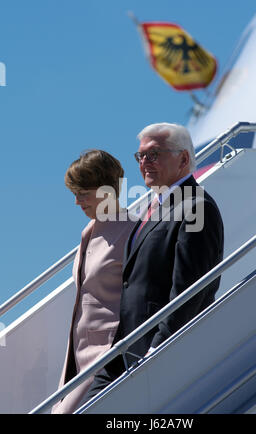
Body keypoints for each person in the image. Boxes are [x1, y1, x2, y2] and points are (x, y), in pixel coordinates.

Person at [80, 122, 224, 407]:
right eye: (141, 156)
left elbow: (189, 291)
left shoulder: (196, 207)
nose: (145, 163)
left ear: (183, 159)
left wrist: (159, 348)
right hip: (124, 351)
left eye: (154, 154)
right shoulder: (153, 207)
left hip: (156, 353)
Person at [52, 149, 136, 414]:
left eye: (82, 193)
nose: (77, 202)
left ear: (106, 191)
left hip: (107, 354)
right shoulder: (88, 230)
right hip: (77, 355)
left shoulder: (133, 230)